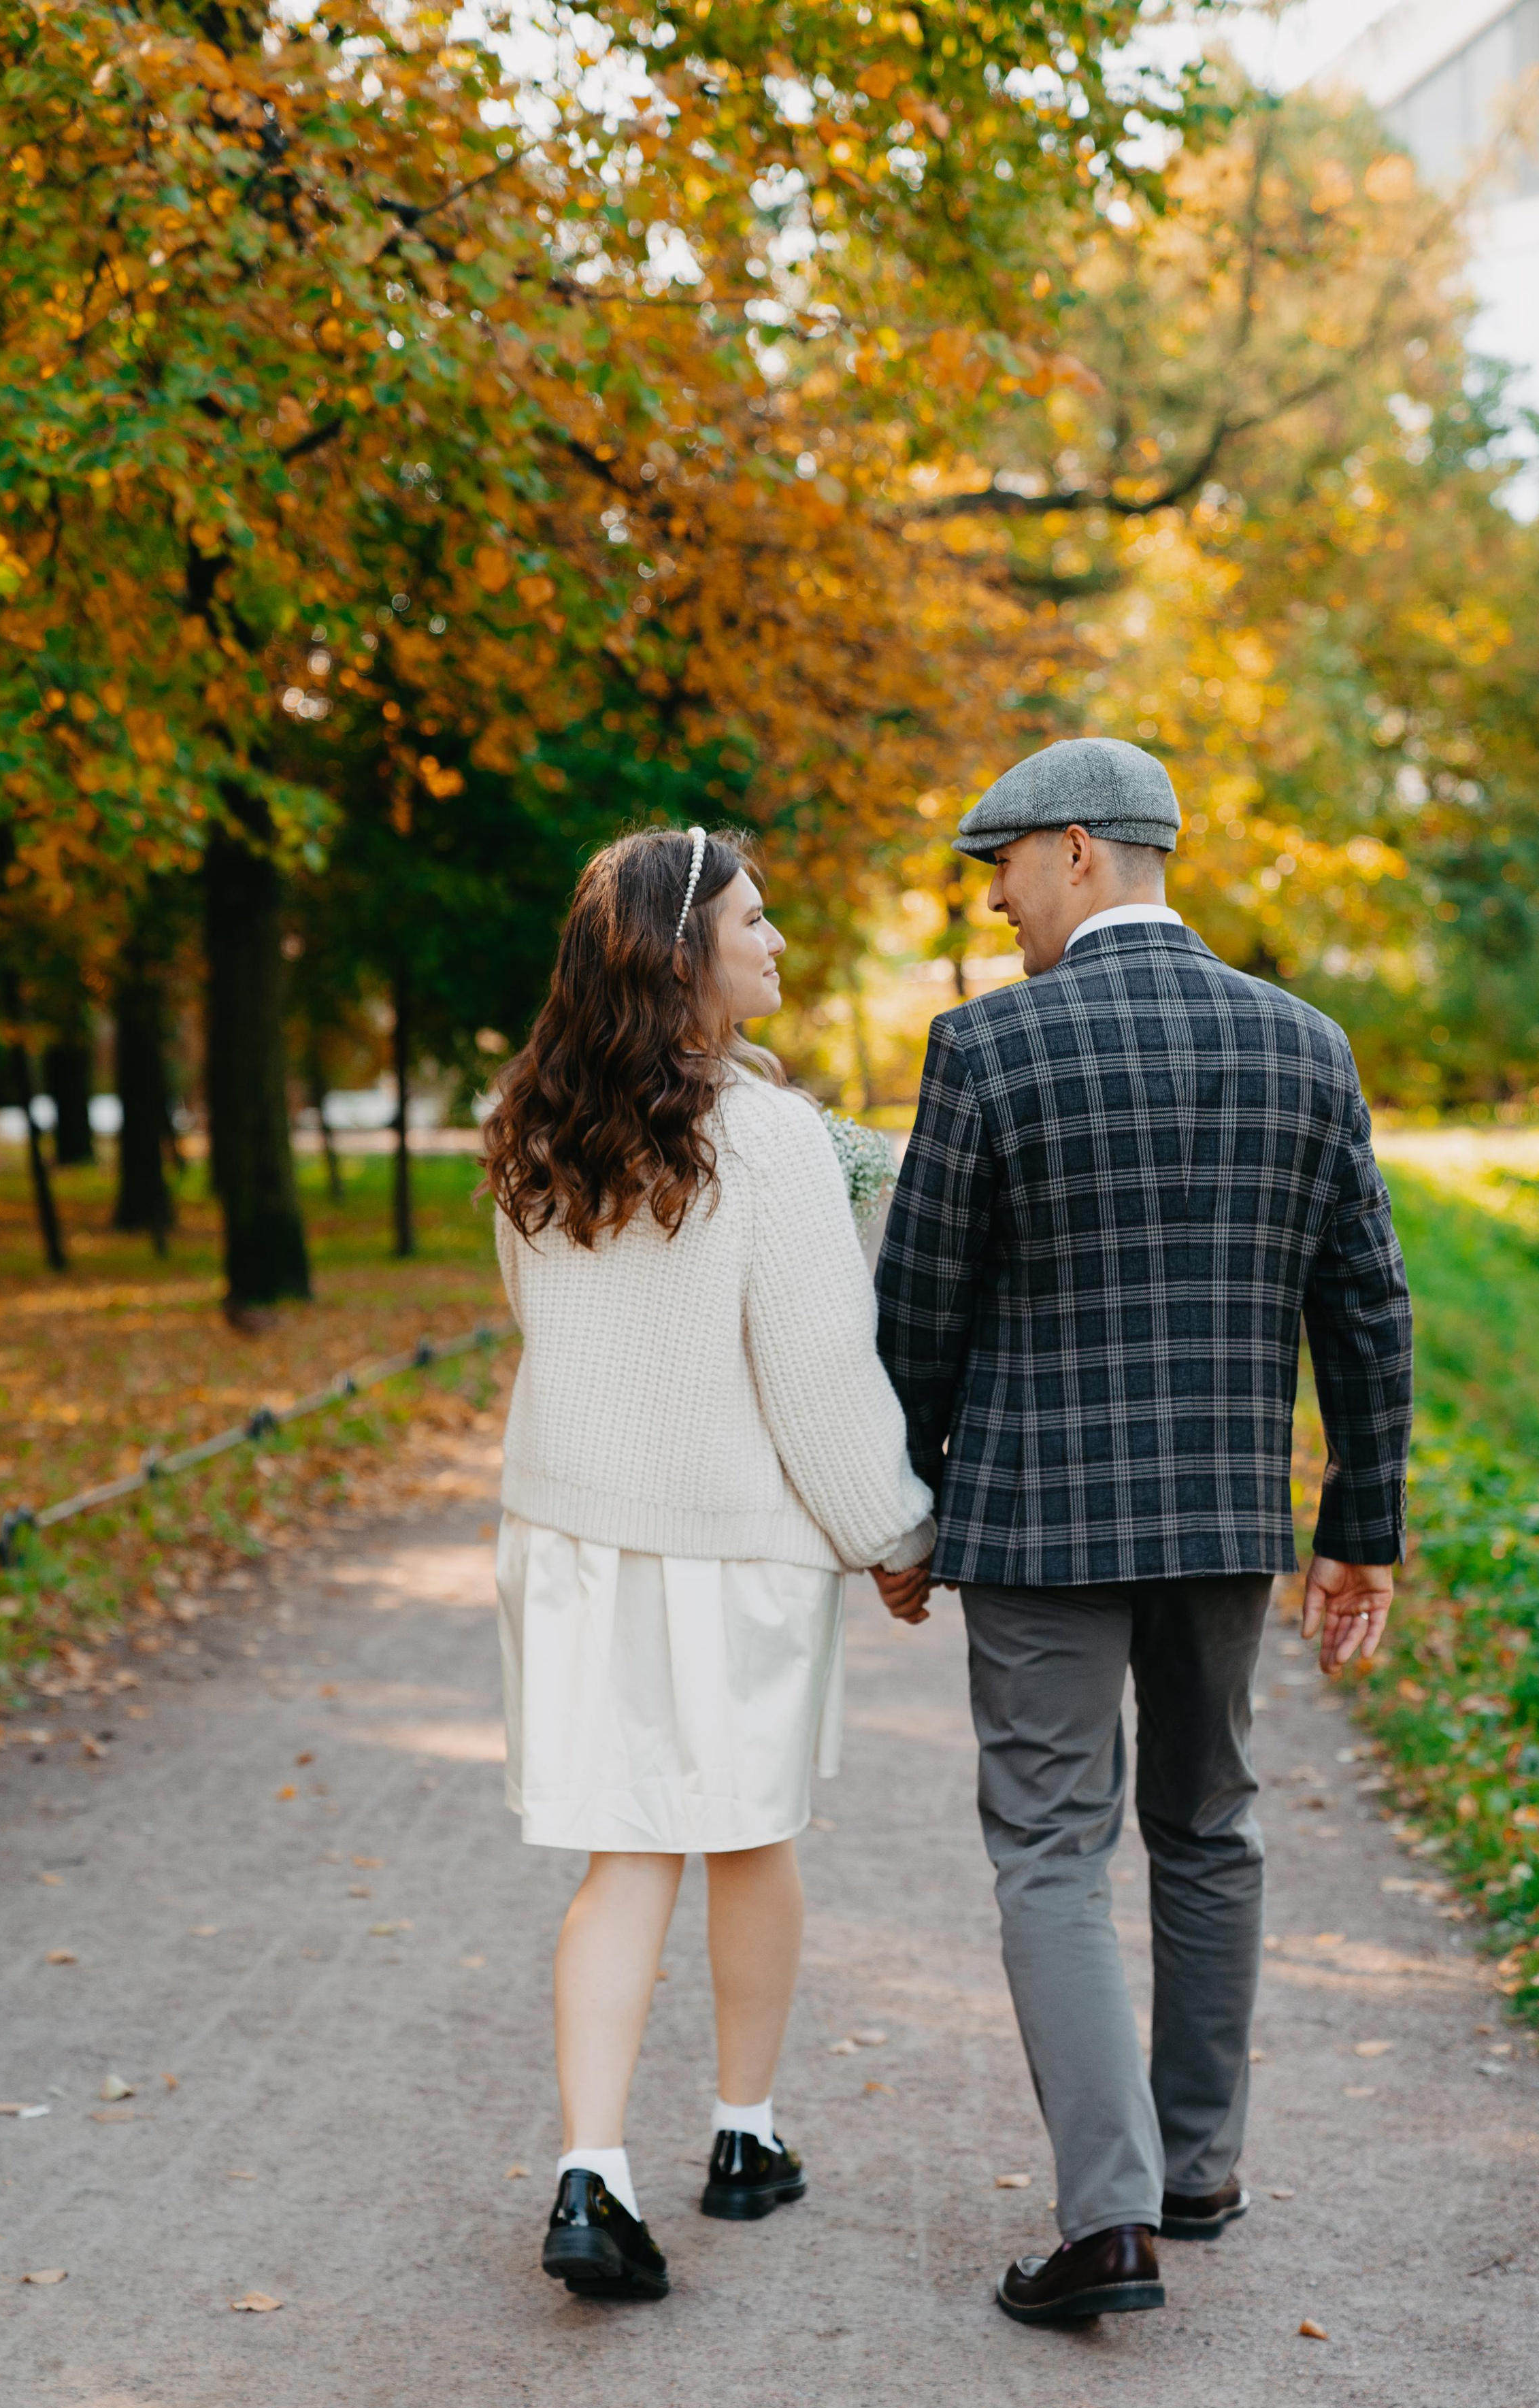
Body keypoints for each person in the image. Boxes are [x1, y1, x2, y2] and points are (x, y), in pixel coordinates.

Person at [872, 737, 1413, 2326]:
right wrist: (1355, 1527)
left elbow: (920, 1310)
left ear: (1080, 852)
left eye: (1005, 870)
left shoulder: (985, 1049)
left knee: (1049, 1844)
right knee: (1207, 1822)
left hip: (1036, 1523)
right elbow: (1364, 1307)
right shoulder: (1303, 1045)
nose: (996, 905)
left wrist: (902, 1511)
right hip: (1222, 1520)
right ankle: (1199, 2168)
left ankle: (1107, 2222)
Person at [483, 824, 933, 2305]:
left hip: (570, 1538)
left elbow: (547, 1330)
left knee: (624, 1854)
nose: (778, 942)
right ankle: (743, 2133)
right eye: (755, 921)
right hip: (726, 1550)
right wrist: (896, 1535)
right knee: (748, 1834)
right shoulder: (772, 1140)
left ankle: (591, 2166)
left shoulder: (531, 1130)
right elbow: (816, 1373)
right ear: (686, 953)